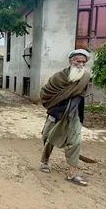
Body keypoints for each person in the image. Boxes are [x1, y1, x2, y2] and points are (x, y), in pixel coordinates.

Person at [39, 49, 91, 186]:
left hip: (73, 115)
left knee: (76, 141)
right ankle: (45, 161)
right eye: (77, 61)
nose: (80, 64)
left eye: (83, 62)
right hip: (56, 113)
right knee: (48, 137)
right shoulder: (59, 77)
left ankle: (72, 174)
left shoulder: (85, 77)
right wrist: (54, 105)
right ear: (71, 61)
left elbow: (82, 97)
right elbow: (46, 93)